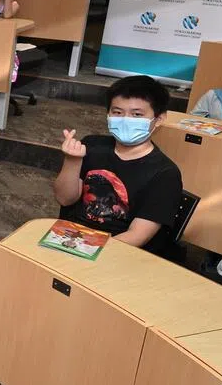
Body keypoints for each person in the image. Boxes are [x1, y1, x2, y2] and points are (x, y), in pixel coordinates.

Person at [52, 75, 183, 254]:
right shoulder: (91, 145)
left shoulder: (165, 173)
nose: (125, 119)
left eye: (137, 114)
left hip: (117, 251)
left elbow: (137, 235)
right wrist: (72, 161)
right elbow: (64, 199)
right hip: (69, 238)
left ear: (158, 119)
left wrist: (87, 249)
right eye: (117, 112)